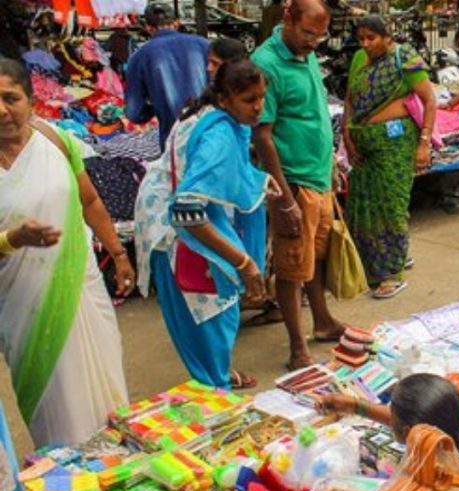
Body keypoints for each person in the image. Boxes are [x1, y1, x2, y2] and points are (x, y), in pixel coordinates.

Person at [0, 59, 131, 447]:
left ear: (32, 101)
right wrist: (14, 239)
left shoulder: (57, 141)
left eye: (11, 98)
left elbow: (90, 202)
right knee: (53, 399)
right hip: (22, 303)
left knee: (105, 388)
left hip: (81, 288)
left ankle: (115, 469)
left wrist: (119, 254)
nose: (2, 111)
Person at [135, 60, 272, 391]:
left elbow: (225, 175)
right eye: (249, 100)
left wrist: (258, 182)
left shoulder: (213, 115)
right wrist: (243, 262)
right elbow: (186, 210)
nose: (259, 108)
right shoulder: (220, 136)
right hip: (173, 233)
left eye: (262, 97)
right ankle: (214, 391)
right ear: (225, 99)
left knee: (216, 317)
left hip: (168, 217)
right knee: (210, 317)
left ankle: (215, 378)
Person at [252, 0, 346, 370]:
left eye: (319, 36)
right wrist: (285, 197)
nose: (313, 43)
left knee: (314, 257)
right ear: (288, 19)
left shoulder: (303, 55)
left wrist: (330, 166)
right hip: (292, 180)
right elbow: (263, 136)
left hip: (317, 174)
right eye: (308, 33)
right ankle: (296, 348)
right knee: (292, 265)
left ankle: (321, 321)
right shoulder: (267, 63)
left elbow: (313, 113)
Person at [343, 16, 436, 299]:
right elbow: (349, 98)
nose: (366, 44)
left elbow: (429, 101)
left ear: (387, 36)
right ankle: (373, 261)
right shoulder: (359, 58)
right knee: (362, 203)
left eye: (372, 38)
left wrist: (423, 144)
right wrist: (347, 135)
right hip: (363, 146)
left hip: (395, 144)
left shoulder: (404, 57)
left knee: (391, 204)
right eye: (361, 39)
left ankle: (391, 273)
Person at [125, 3, 209, 149]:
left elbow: (134, 113)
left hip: (174, 139)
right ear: (176, 23)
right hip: (210, 132)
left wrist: (156, 107)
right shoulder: (204, 45)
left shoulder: (139, 56)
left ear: (148, 28)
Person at [318, 373, 459, 456]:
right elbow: (407, 421)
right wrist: (355, 405)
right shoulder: (450, 427)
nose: (390, 417)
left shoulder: (422, 480)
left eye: (393, 412)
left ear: (408, 433)